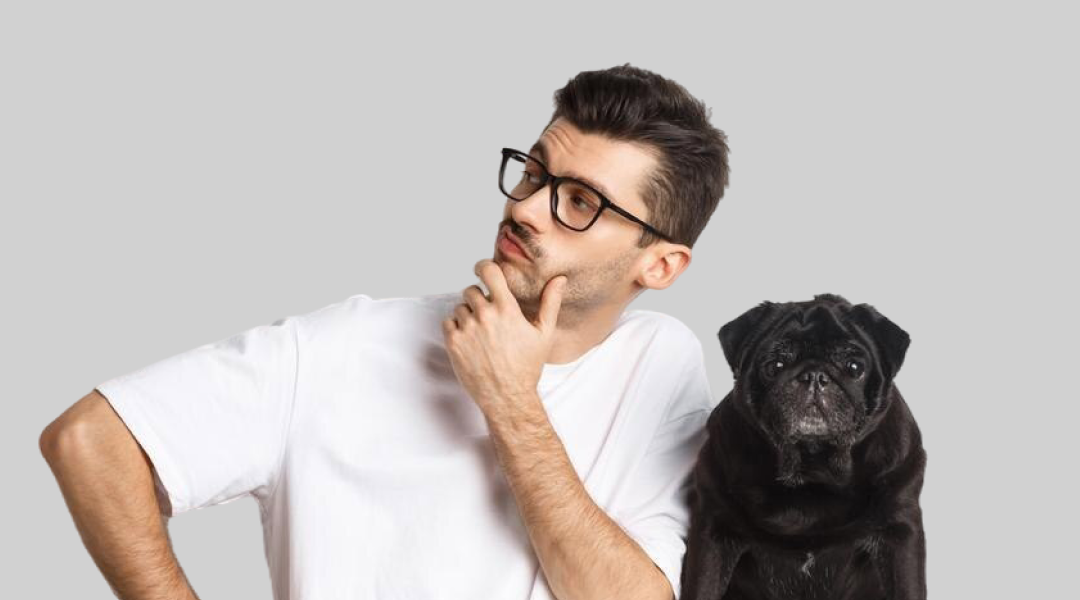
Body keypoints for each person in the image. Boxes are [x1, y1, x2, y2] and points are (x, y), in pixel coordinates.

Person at [40, 63, 731, 600]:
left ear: (661, 264)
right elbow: (90, 440)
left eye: (579, 202)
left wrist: (511, 403)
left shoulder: (662, 366)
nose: (527, 210)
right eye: (533, 173)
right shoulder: (346, 348)